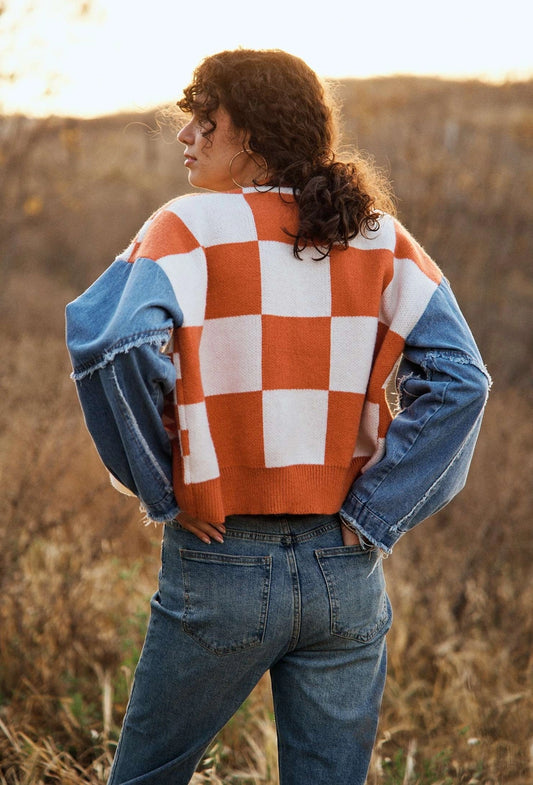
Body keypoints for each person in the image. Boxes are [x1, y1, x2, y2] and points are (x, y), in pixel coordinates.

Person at [65, 49, 490, 785]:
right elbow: (462, 380)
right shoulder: (378, 235)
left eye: (207, 120)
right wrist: (377, 511)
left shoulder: (187, 227)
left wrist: (166, 488)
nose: (185, 135)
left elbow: (111, 345)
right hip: (345, 569)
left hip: (222, 559)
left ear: (255, 134)